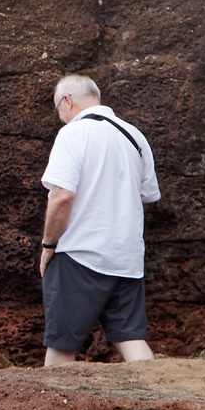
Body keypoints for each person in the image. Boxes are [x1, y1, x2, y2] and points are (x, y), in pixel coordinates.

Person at [38, 75, 159, 364]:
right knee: (131, 339)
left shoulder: (73, 133)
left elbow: (62, 196)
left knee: (61, 345)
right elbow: (147, 195)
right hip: (127, 260)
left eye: (57, 109)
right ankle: (157, 390)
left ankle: (54, 396)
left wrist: (48, 245)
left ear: (67, 101)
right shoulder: (135, 136)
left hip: (80, 254)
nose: (60, 117)